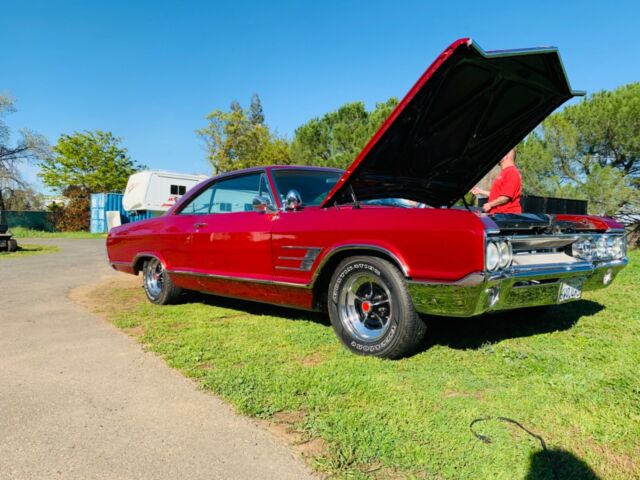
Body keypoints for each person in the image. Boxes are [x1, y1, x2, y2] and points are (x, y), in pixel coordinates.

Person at [471, 148, 522, 214]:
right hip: (497, 215)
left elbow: (505, 197)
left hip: (505, 217)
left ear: (506, 156)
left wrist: (490, 204)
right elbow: (497, 195)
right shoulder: (505, 172)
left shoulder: (511, 172)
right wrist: (480, 191)